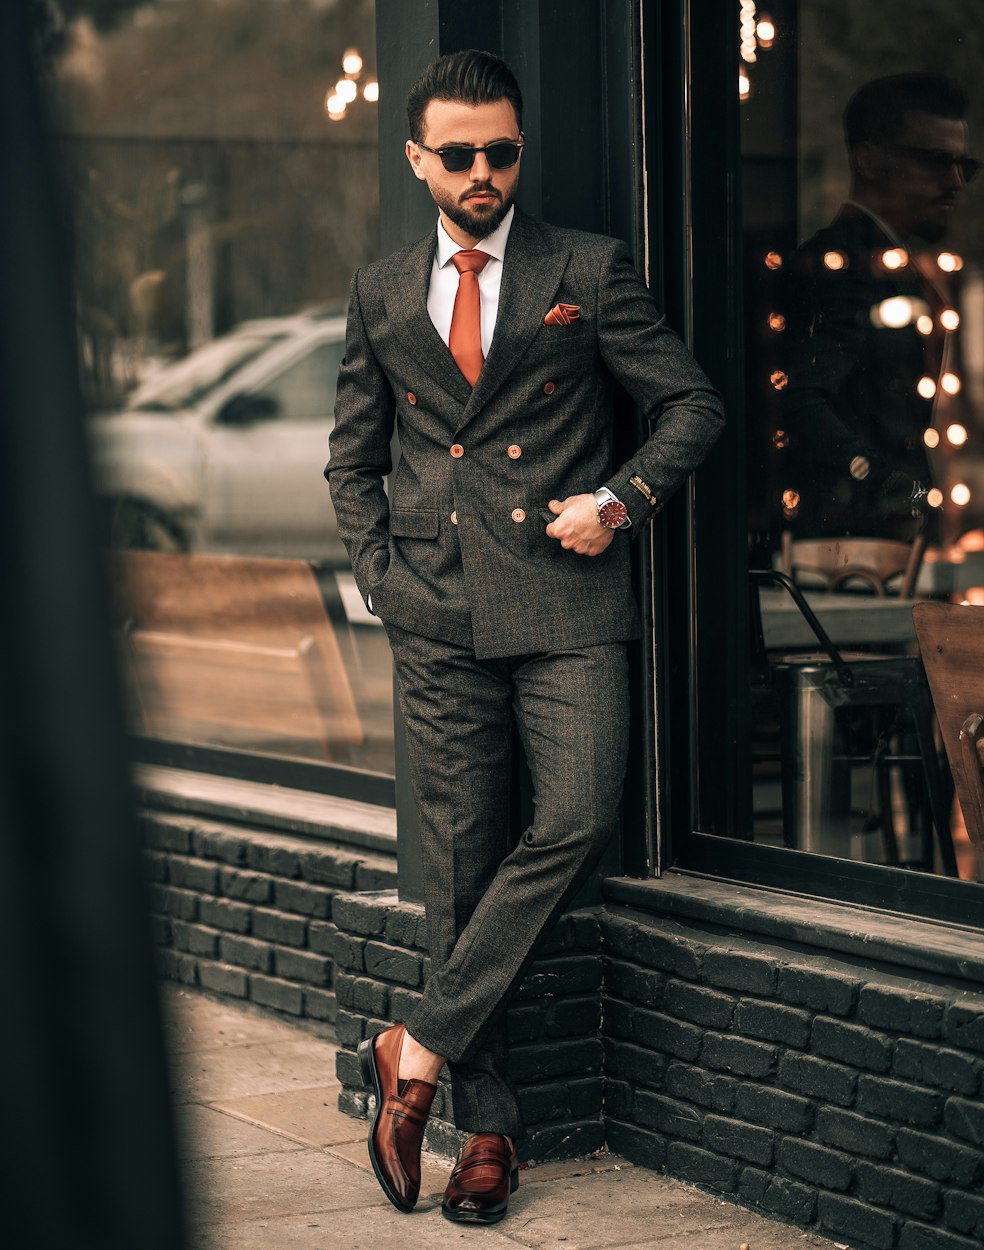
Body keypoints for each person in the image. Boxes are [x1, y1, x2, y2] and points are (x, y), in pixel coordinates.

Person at [325, 49, 723, 1225]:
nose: (485, 171)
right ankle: (486, 1132)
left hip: (566, 604)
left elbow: (690, 402)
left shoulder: (585, 270)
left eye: (502, 150)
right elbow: (351, 460)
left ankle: (414, 1042)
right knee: (458, 869)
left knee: (576, 821)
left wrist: (619, 501)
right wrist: (383, 579)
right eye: (461, 154)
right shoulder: (385, 289)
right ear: (419, 160)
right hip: (435, 615)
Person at [782, 72, 977, 540]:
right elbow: (800, 397)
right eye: (936, 162)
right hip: (856, 548)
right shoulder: (846, 265)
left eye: (963, 166)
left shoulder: (892, 264)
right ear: (869, 160)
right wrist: (895, 490)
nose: (955, 182)